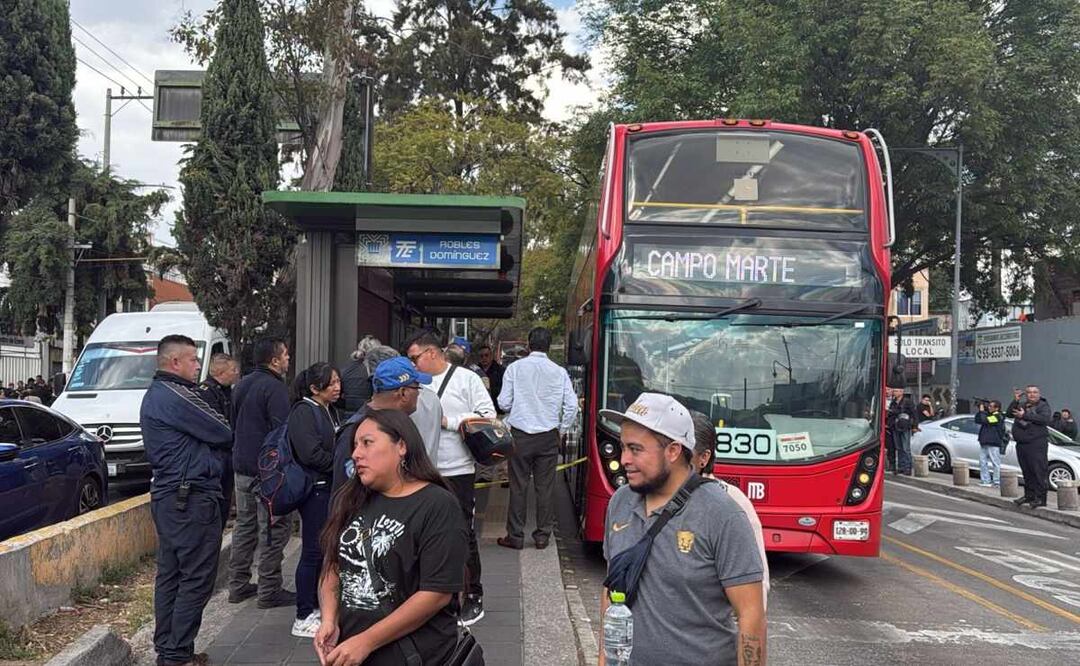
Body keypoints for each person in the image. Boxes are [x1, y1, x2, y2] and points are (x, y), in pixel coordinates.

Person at [599, 393, 765, 665]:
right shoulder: (620, 502)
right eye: (622, 446)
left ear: (673, 451)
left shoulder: (722, 514)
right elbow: (611, 588)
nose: (624, 458)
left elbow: (751, 614)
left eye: (636, 449)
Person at [313, 409, 467, 666]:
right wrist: (329, 619)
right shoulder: (352, 499)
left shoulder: (437, 505)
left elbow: (437, 592)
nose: (356, 454)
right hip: (353, 653)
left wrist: (367, 640)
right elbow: (333, 567)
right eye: (355, 445)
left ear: (402, 446)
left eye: (367, 443)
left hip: (414, 656)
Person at [140, 335, 233, 666]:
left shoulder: (159, 394)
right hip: (190, 500)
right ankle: (176, 654)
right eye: (193, 359)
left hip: (173, 498)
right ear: (174, 362)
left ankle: (169, 649)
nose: (198, 365)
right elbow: (223, 430)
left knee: (172, 574)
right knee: (195, 578)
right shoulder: (177, 395)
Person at [405, 331, 495, 626]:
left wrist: (448, 422)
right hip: (421, 468)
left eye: (415, 357)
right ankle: (431, 595)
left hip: (457, 469)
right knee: (424, 534)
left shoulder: (466, 379)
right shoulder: (413, 384)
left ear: (432, 353)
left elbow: (488, 416)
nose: (413, 364)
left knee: (462, 533)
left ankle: (473, 595)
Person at [228, 337, 296, 608]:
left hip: (241, 466)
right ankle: (269, 588)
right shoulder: (275, 388)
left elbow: (234, 422)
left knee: (244, 526)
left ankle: (238, 584)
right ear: (274, 360)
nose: (288, 359)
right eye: (286, 354)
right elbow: (282, 431)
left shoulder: (241, 384)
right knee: (273, 528)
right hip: (267, 471)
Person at [497, 326, 577, 551]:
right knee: (545, 487)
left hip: (520, 435)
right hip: (548, 436)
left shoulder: (515, 368)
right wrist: (561, 429)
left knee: (518, 486)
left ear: (529, 345)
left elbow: (503, 403)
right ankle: (542, 536)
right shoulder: (559, 372)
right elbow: (571, 406)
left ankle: (515, 536)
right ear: (549, 346)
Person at [689, 412, 770, 607]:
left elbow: (756, 596)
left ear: (704, 458)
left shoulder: (732, 502)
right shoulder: (640, 498)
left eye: (682, 452)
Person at [330, 354, 440, 494]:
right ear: (403, 393)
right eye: (417, 387)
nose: (419, 394)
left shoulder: (397, 424)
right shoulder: (356, 431)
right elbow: (343, 493)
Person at [287, 362, 342, 638]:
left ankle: (319, 607)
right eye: (331, 383)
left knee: (324, 552)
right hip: (315, 490)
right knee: (311, 552)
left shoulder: (329, 410)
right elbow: (310, 453)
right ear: (313, 388)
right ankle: (303, 613)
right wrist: (341, 465)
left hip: (329, 488)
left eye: (337, 381)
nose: (337, 387)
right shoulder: (304, 411)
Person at [199, 353, 241, 530]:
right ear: (220, 371)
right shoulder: (206, 393)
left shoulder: (227, 392)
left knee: (223, 508)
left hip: (227, 457)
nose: (237, 373)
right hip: (215, 458)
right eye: (233, 370)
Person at [1011, 384, 1052, 508]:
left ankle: (1040, 498)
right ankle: (1029, 496)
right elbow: (1009, 413)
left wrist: (1024, 415)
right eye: (1029, 392)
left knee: (1038, 471)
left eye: (1035, 392)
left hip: (1036, 443)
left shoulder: (1043, 406)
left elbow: (1044, 419)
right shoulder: (1022, 405)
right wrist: (1016, 400)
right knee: (1027, 471)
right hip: (1022, 444)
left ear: (1039, 394)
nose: (1032, 394)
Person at [338, 335, 382, 418]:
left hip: (347, 417)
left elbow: (338, 397)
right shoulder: (376, 370)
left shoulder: (347, 370)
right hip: (370, 416)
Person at [975, 400, 1007, 488]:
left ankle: (996, 482)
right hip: (984, 441)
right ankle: (985, 480)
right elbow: (978, 420)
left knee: (995, 463)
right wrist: (980, 411)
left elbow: (985, 420)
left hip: (993, 443)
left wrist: (982, 411)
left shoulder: (998, 416)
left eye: (991, 406)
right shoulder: (989, 414)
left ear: (996, 408)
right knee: (982, 462)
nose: (989, 407)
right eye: (988, 406)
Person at [885, 388, 918, 475]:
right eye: (894, 391)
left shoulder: (907, 402)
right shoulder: (893, 402)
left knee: (906, 448)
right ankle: (901, 467)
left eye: (896, 391)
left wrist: (915, 426)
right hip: (896, 426)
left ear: (901, 392)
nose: (894, 392)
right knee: (899, 447)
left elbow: (914, 414)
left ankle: (907, 468)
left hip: (905, 427)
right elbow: (890, 414)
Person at [476, 344, 505, 408]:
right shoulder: (475, 371)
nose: (484, 358)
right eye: (481, 356)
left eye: (486, 355)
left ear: (491, 356)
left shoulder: (500, 371)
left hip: (496, 407)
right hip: (480, 406)